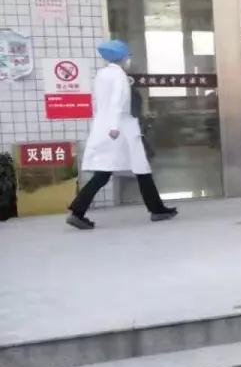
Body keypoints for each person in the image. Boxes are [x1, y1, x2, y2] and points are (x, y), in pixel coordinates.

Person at [67, 40, 177, 230]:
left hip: (105, 126)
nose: (129, 59)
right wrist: (114, 126)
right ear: (122, 56)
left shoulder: (102, 74)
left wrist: (110, 125)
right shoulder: (119, 75)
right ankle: (157, 210)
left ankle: (157, 209)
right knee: (135, 169)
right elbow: (117, 102)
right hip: (120, 129)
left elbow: (102, 103)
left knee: (110, 172)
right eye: (128, 55)